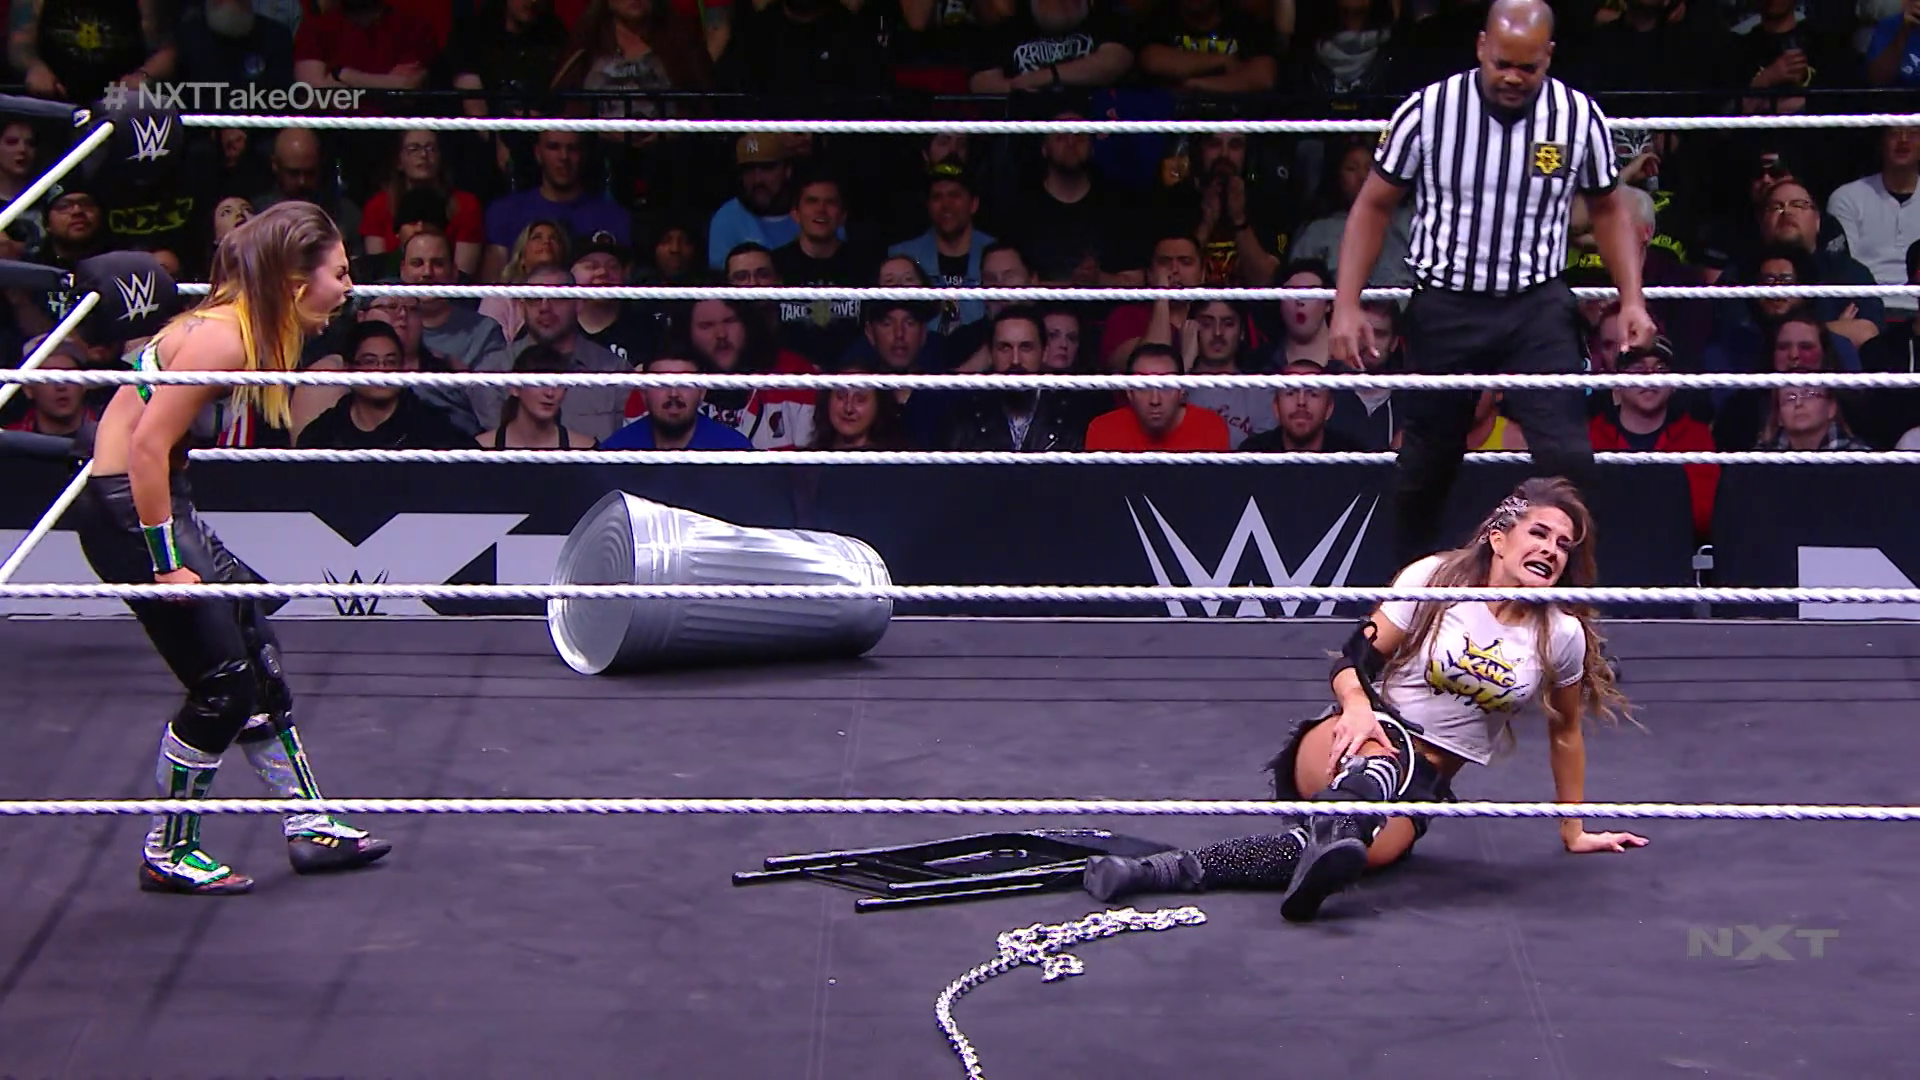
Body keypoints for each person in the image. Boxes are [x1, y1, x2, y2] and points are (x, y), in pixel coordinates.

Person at [1082, 477, 1646, 922]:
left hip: (1422, 787)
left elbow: (1565, 733)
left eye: (1564, 545)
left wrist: (1573, 830)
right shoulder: (1437, 579)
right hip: (1351, 742)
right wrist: (1356, 708)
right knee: (1380, 760)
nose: (1551, 550)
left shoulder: (1560, 636)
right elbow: (1353, 657)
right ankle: (1344, 818)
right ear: (1499, 538)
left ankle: (1157, 871)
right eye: (1539, 534)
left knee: (1355, 855)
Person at [70, 202, 392, 896]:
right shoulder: (223, 338)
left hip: (159, 496)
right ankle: (168, 850)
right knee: (222, 686)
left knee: (256, 648)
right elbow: (146, 446)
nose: (348, 288)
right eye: (340, 273)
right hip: (130, 509)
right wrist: (167, 565)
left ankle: (309, 825)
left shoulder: (238, 326)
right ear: (297, 281)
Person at [1328, 0, 1657, 567]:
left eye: (1528, 67)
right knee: (1424, 465)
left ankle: (1569, 607)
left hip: (1537, 303)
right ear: (1481, 46)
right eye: (1502, 63)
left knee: (1568, 460)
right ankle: (1408, 601)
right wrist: (1346, 303)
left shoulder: (1577, 116)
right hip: (1447, 301)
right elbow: (1374, 204)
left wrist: (1632, 298)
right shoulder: (1429, 111)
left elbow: (1607, 208)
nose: (1512, 77)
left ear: (1548, 56)